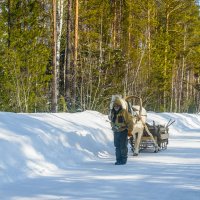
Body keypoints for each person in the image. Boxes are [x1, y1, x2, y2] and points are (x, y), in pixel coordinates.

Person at [110, 97, 134, 165]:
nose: (116, 107)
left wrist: (129, 131)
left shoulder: (124, 112)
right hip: (116, 132)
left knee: (123, 146)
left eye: (117, 106)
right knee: (117, 146)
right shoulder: (113, 112)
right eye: (115, 106)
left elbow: (130, 122)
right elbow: (112, 121)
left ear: (120, 106)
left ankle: (123, 160)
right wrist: (113, 126)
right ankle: (118, 160)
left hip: (123, 131)